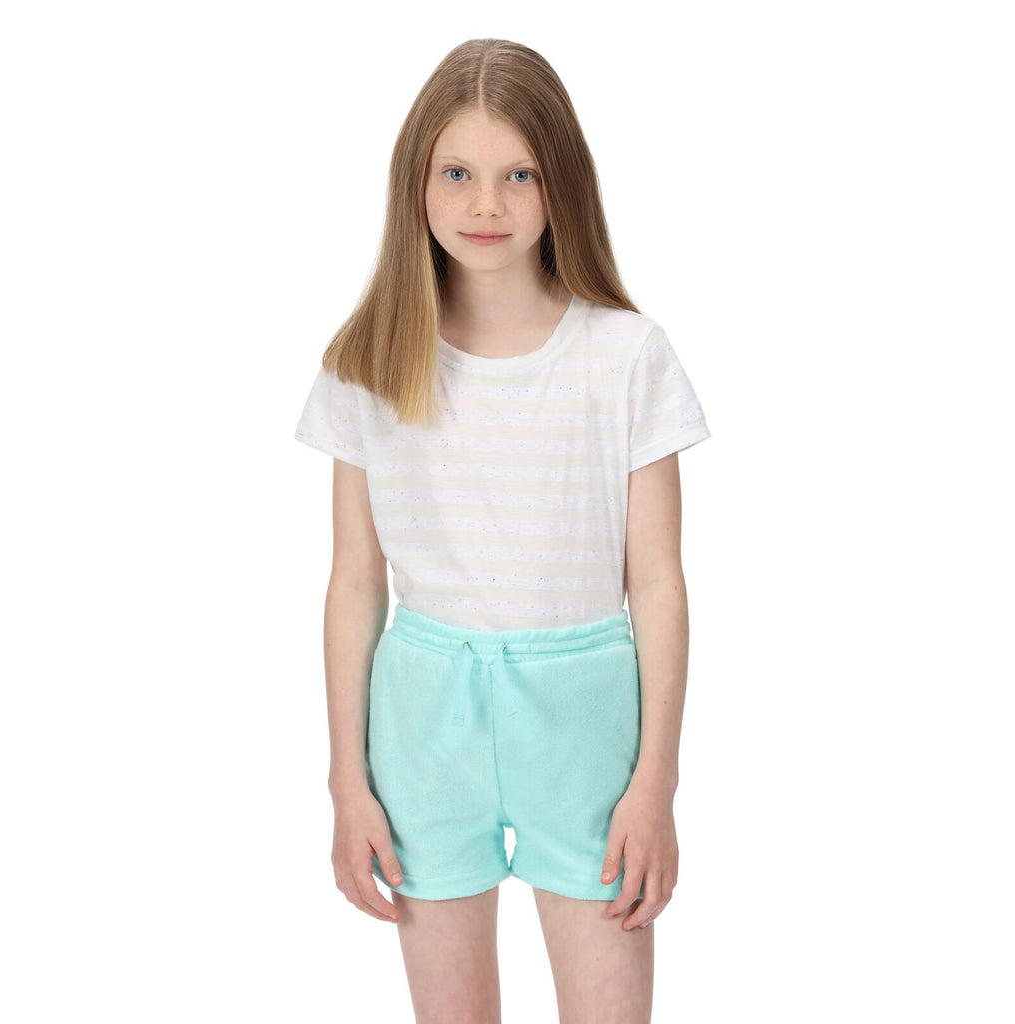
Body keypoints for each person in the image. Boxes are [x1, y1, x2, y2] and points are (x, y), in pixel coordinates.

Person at [293, 37, 711, 1024]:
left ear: (562, 181)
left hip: (584, 723)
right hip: (423, 721)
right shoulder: (367, 362)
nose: (486, 204)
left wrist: (655, 783)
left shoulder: (627, 356)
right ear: (416, 182)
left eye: (519, 174)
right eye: (458, 174)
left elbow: (657, 580)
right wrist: (346, 780)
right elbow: (354, 580)